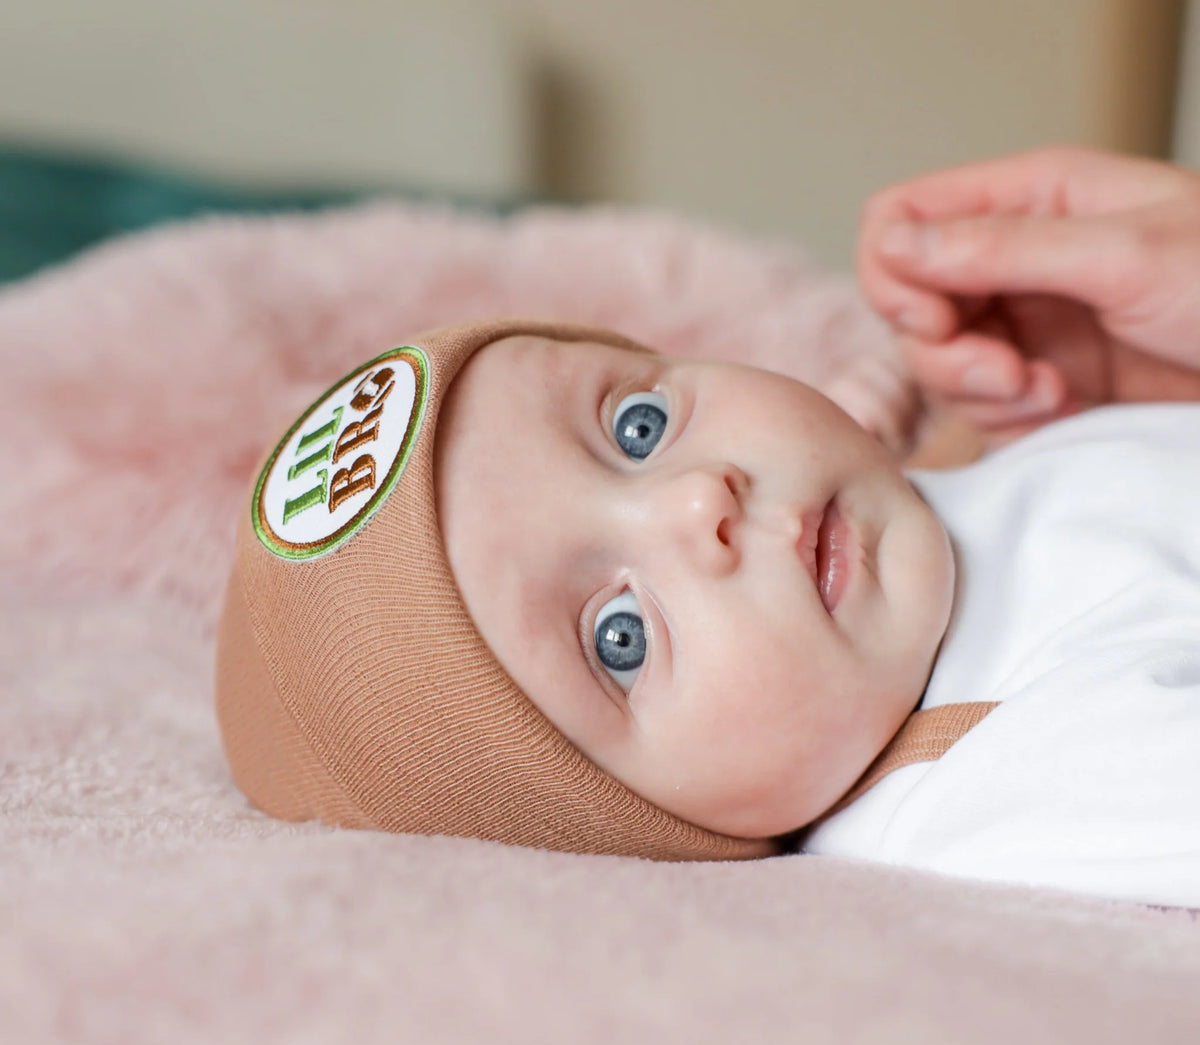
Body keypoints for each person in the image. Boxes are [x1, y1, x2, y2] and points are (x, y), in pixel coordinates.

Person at [215, 147, 1200, 907]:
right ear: (655, 828)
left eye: (636, 427)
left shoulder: (949, 489)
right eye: (620, 638)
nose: (701, 504)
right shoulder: (995, 780)